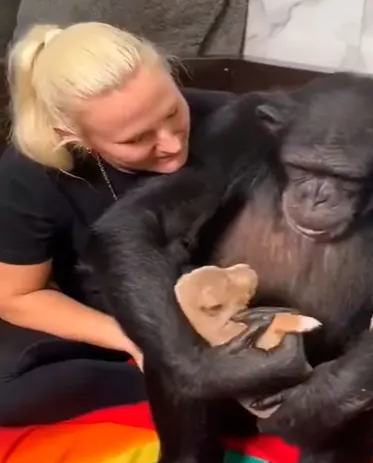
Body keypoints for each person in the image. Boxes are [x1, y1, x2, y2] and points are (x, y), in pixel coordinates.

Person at [0, 22, 233, 425]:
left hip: (230, 308)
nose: (172, 144)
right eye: (137, 139)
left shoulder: (235, 120)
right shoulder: (30, 173)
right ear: (73, 137)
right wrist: (140, 342)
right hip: (113, 320)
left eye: (173, 111)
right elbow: (16, 296)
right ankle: (184, 388)